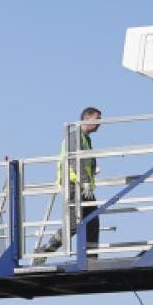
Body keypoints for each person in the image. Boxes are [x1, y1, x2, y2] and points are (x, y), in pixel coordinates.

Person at [59, 107, 102, 252]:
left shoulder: (85, 139)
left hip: (84, 187)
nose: (100, 123)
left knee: (92, 222)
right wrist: (85, 182)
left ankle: (91, 258)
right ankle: (45, 250)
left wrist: (93, 169)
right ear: (86, 119)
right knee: (73, 224)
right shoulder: (74, 136)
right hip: (74, 185)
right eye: (97, 119)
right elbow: (74, 161)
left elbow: (85, 161)